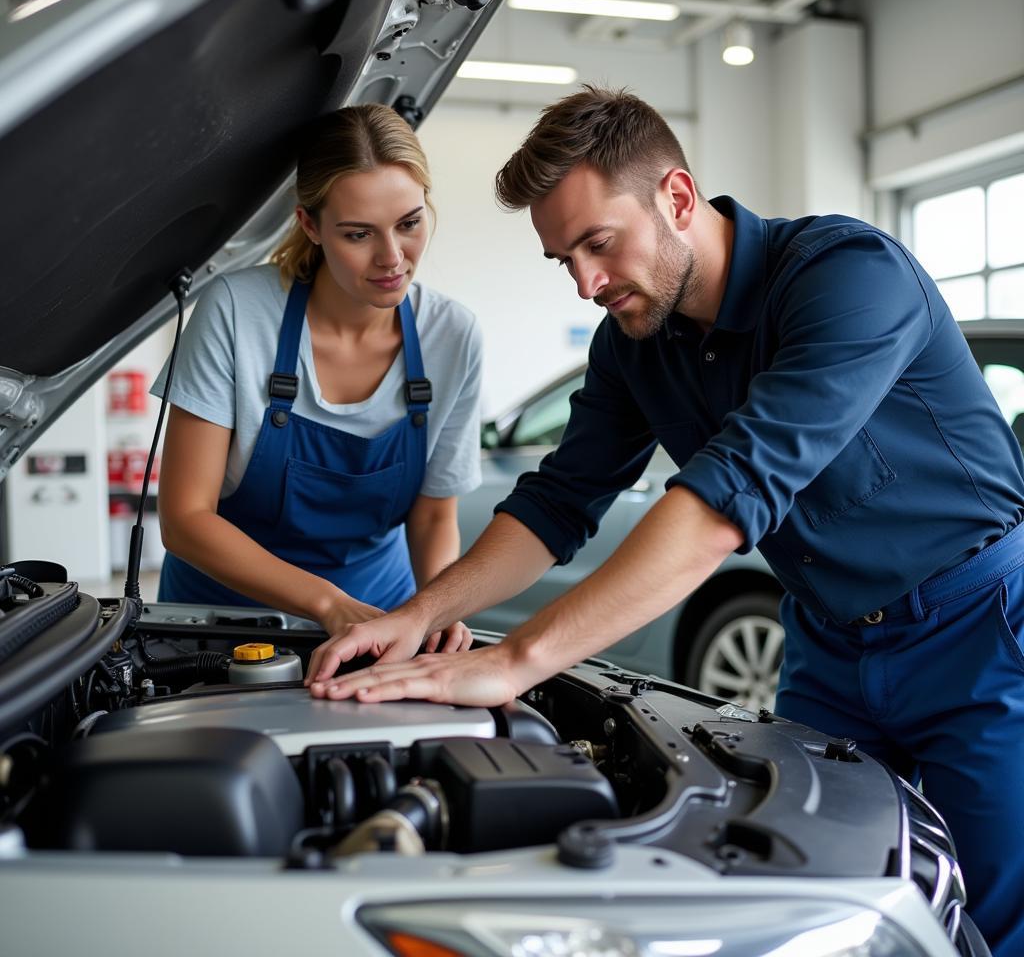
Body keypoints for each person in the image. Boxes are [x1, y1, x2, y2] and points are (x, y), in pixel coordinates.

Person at [303, 87, 1024, 955]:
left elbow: (730, 497)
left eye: (598, 244)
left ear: (677, 198)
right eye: (562, 259)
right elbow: (558, 502)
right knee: (814, 904)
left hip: (982, 636)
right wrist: (414, 618)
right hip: (829, 647)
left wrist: (515, 663)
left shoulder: (848, 278)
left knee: (991, 917)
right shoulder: (634, 345)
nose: (586, 283)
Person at [152, 103, 480, 650]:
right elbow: (185, 518)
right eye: (358, 234)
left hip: (380, 616)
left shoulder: (452, 334)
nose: (392, 258)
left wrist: (436, 608)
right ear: (310, 224)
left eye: (409, 223)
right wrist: (328, 605)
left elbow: (432, 516)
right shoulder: (236, 312)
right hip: (218, 628)